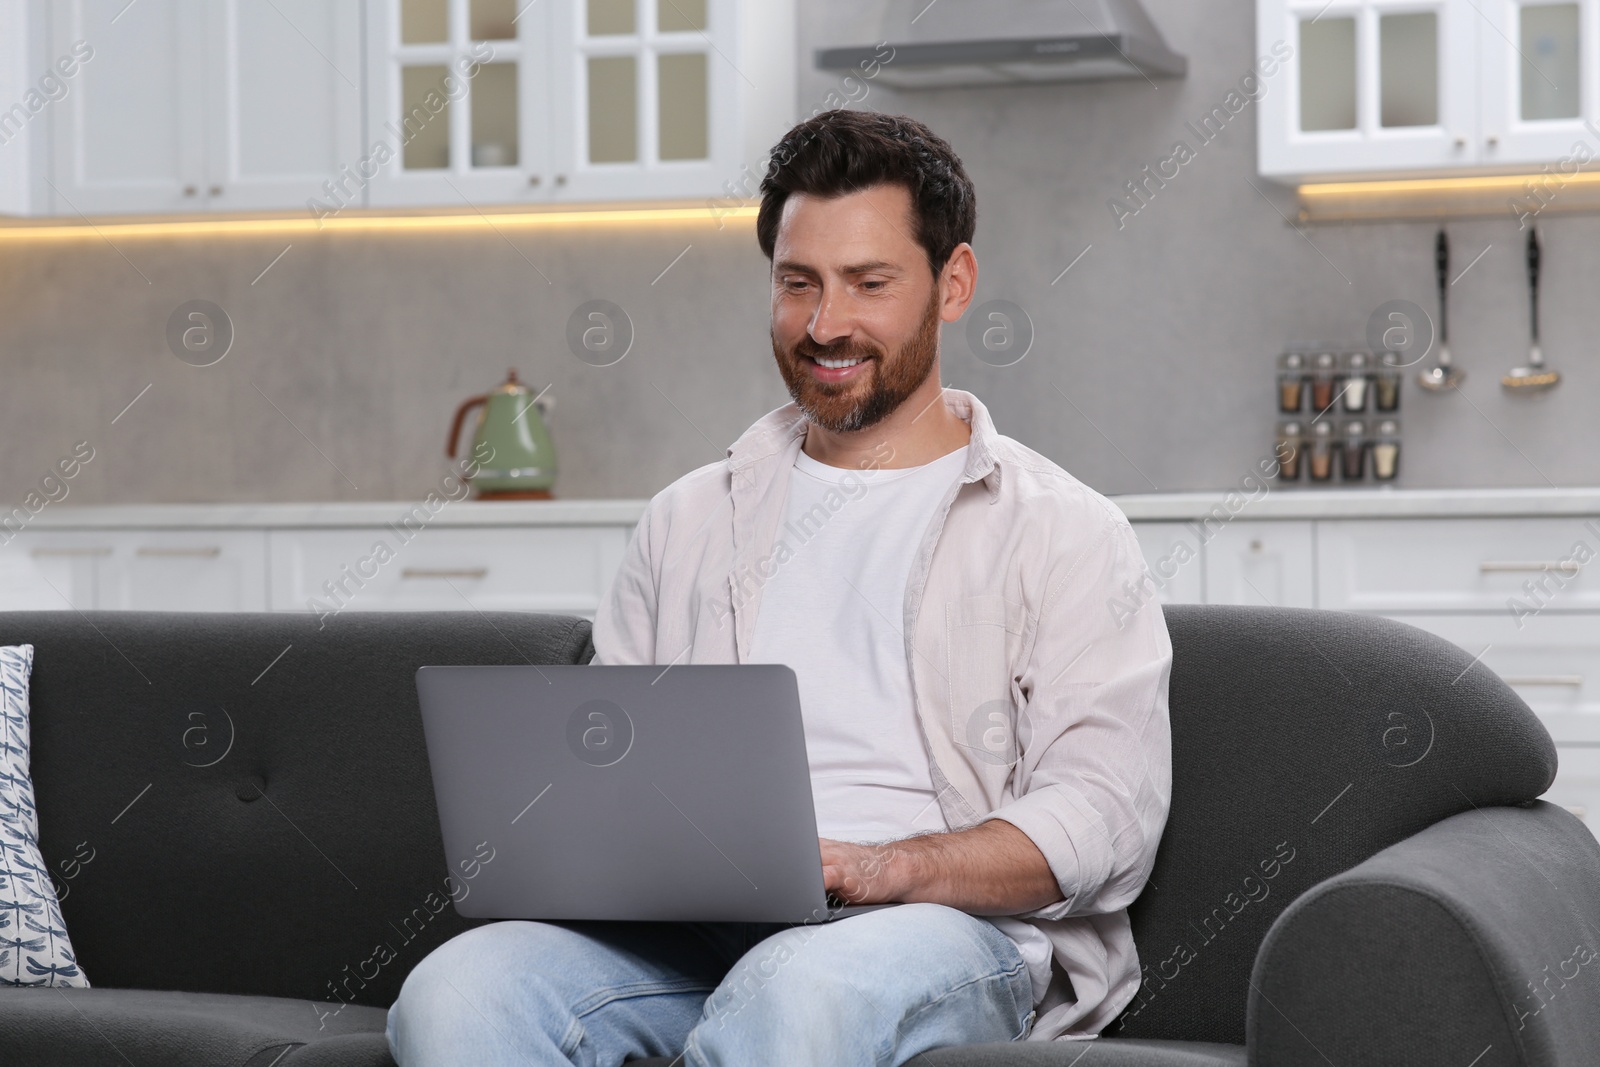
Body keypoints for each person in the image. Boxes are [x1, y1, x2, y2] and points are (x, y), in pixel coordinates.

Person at [388, 109, 1172, 1066]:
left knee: (796, 990)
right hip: (694, 936)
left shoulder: (1064, 530)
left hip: (940, 934)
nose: (825, 323)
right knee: (456, 992)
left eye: (869, 284)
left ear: (952, 284)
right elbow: (604, 768)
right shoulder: (686, 518)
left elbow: (1104, 816)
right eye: (798, 283)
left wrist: (883, 869)